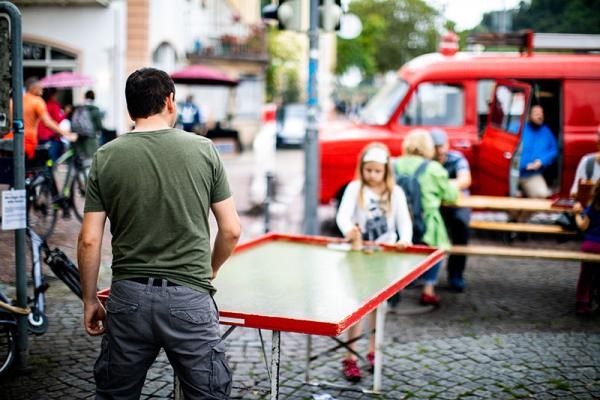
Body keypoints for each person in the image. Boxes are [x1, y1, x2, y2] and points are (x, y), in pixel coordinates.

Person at [78, 67, 241, 399]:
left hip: (128, 298)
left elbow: (89, 239)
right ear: (170, 101)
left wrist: (89, 298)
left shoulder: (106, 156)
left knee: (115, 394)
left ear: (129, 109)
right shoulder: (204, 150)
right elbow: (231, 230)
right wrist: (210, 270)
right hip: (189, 298)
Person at [336, 142, 412, 382]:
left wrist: (405, 239)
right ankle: (350, 357)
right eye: (368, 170)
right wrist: (349, 230)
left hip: (385, 257)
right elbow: (343, 216)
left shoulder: (395, 192)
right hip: (360, 255)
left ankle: (372, 351)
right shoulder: (354, 188)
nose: (372, 175)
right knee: (358, 308)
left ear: (386, 171)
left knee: (379, 308)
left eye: (377, 171)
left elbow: (404, 221)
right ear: (362, 168)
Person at [394, 129, 459, 306]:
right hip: (426, 222)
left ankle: (398, 287)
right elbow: (450, 195)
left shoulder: (394, 165)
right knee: (435, 249)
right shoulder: (433, 169)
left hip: (397, 222)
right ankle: (428, 290)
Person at [430, 128, 472, 292]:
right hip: (436, 205)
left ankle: (456, 274)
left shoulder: (456, 159)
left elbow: (465, 180)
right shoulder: (427, 162)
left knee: (461, 227)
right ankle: (424, 277)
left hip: (457, 205)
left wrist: (440, 186)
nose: (440, 150)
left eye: (442, 146)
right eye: (435, 147)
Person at [4, 77, 76, 160]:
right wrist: (66, 134)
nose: (43, 90)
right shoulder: (37, 101)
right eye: (40, 87)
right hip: (26, 142)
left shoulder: (13, 101)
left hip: (9, 140)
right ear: (33, 88)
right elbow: (47, 122)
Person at [518, 105, 558, 199]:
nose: (540, 116)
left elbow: (554, 150)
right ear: (529, 116)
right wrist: (523, 165)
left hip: (531, 175)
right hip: (512, 173)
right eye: (536, 113)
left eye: (541, 114)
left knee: (542, 195)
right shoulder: (519, 129)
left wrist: (541, 161)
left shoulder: (546, 131)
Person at [573, 180, 600, 316]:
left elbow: (583, 226)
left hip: (590, 246)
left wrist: (577, 214)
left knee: (586, 275)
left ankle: (582, 303)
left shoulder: (593, 207)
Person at [570, 125, 600, 203]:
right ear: (598, 143)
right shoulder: (587, 162)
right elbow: (574, 193)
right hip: (589, 212)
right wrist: (577, 200)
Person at [72, 90, 104, 159]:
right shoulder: (95, 109)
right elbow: (99, 125)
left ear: (85, 97)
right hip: (91, 137)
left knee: (82, 159)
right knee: (92, 159)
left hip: (79, 137)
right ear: (94, 97)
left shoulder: (80, 108)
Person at [38, 87, 66, 162]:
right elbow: (58, 119)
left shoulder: (42, 104)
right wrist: (66, 112)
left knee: (43, 160)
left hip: (40, 136)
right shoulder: (54, 105)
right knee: (51, 160)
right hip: (51, 137)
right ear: (53, 95)